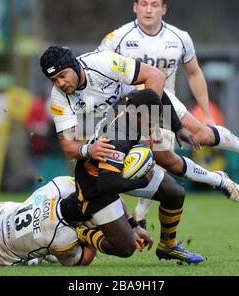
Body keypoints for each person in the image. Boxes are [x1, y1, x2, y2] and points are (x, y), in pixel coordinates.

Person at [97, 0, 239, 226]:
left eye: (155, 5)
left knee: (199, 135)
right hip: (130, 108)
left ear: (164, 9)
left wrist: (208, 113)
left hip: (165, 103)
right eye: (144, 4)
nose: (149, 10)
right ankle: (140, 217)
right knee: (151, 163)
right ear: (135, 7)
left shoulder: (179, 38)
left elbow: (194, 73)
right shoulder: (117, 38)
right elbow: (100, 71)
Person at [40, 45, 239, 204]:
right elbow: (68, 145)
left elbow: (155, 76)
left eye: (62, 75)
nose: (60, 83)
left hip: (149, 98)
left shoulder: (101, 62)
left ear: (74, 66)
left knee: (200, 136)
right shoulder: (58, 97)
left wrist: (152, 125)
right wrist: (88, 149)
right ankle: (217, 180)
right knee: (166, 160)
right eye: (53, 80)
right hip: (116, 119)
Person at [59, 88, 206, 264]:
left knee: (174, 192)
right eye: (150, 121)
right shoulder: (116, 138)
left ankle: (168, 246)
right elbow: (107, 185)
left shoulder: (132, 101)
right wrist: (142, 181)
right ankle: (80, 231)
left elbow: (157, 93)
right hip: (94, 187)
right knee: (126, 248)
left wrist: (178, 128)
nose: (152, 126)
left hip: (114, 170)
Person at [0, 175, 152, 266]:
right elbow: (83, 260)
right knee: (52, 250)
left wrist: (132, 225)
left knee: (37, 236)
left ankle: (36, 252)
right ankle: (34, 258)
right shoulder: (63, 238)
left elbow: (99, 194)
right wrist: (89, 232)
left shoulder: (59, 186)